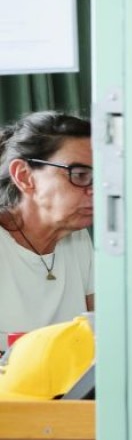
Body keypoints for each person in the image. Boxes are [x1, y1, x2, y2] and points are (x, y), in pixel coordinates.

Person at [0, 112, 94, 347]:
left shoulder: (79, 237)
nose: (94, 190)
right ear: (24, 176)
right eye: (80, 175)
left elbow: (102, 332)